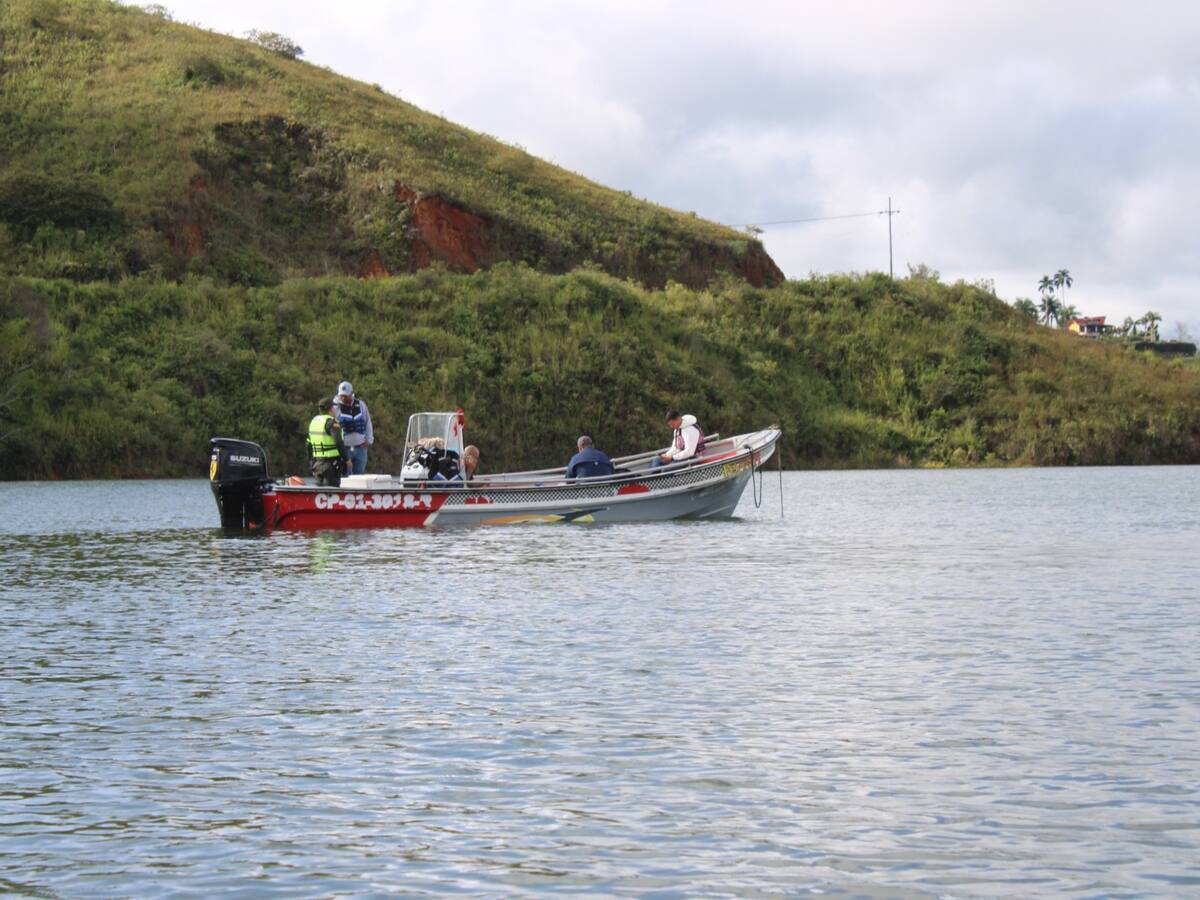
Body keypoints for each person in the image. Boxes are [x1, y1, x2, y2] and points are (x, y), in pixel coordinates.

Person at [332, 380, 373, 475]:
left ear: (351, 394)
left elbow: (368, 422)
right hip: (344, 450)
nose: (343, 397)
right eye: (341, 395)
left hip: (361, 449)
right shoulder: (334, 407)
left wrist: (369, 440)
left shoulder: (361, 405)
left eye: (345, 395)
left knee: (359, 477)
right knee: (344, 477)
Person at [307, 400, 351, 487]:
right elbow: (338, 442)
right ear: (330, 409)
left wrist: (312, 463)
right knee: (331, 494)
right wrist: (347, 459)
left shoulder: (314, 422)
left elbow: (308, 445)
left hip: (317, 464)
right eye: (333, 407)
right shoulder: (331, 423)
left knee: (319, 494)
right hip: (330, 465)